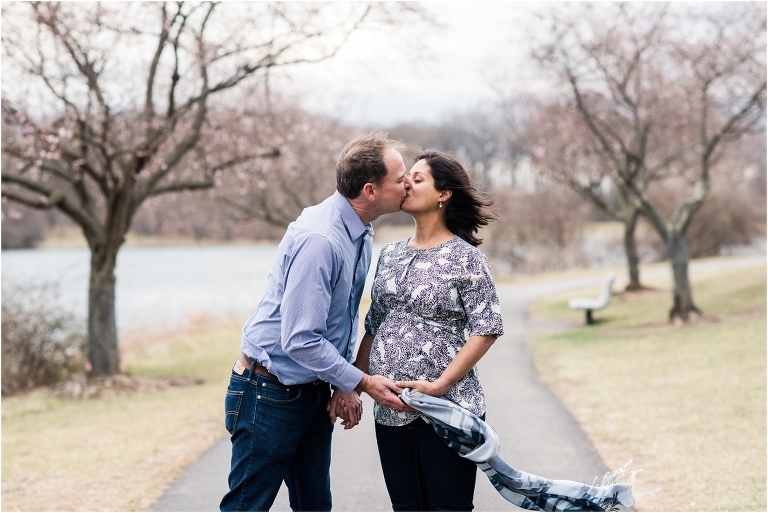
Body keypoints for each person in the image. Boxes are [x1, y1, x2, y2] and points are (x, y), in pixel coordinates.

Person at [220, 132, 415, 512]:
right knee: (247, 506)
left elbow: (340, 318)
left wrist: (342, 383)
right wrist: (362, 381)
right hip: (269, 392)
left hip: (311, 390)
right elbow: (300, 339)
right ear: (371, 191)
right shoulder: (322, 241)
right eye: (400, 177)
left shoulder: (358, 229)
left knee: (314, 506)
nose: (408, 183)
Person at [350, 150, 504, 511]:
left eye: (417, 179)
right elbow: (375, 324)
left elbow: (487, 328)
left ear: (443, 194)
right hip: (391, 412)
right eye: (407, 177)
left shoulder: (467, 258)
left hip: (448, 410)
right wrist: (352, 385)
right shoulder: (389, 255)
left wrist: (439, 386)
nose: (407, 183)